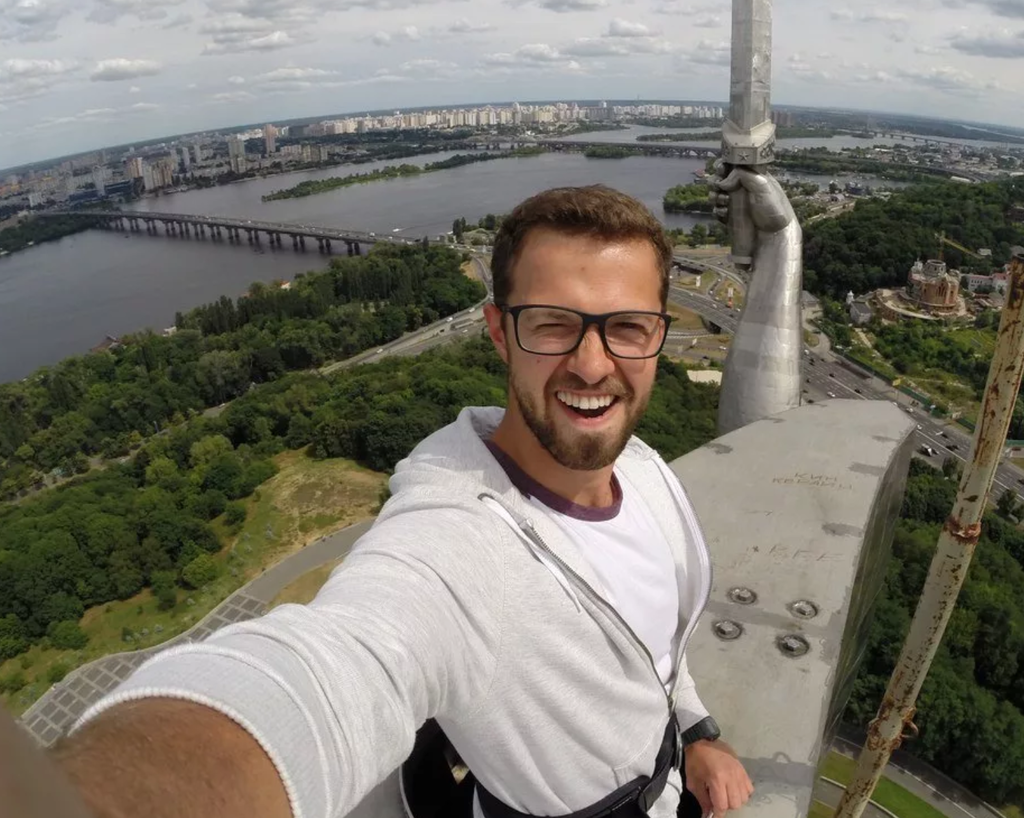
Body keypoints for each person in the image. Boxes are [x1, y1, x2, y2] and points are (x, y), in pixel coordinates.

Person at [45, 185, 754, 818]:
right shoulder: (454, 539)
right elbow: (334, 672)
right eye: (552, 323)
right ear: (499, 333)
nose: (593, 363)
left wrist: (694, 733)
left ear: (659, 335)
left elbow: (657, 646)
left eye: (627, 325)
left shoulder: (648, 472)